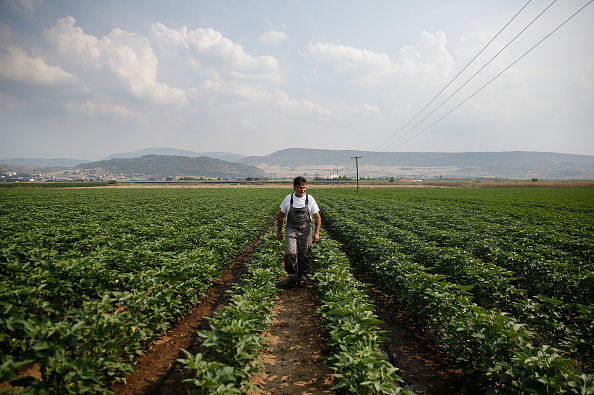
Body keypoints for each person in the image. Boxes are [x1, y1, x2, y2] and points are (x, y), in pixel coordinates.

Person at [277, 176, 321, 288]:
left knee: (304, 254)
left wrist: (317, 233)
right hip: (291, 229)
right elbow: (281, 216)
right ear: (294, 188)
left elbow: (317, 218)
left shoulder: (309, 199)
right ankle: (292, 277)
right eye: (300, 188)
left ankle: (301, 276)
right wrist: (279, 232)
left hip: (306, 230)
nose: (302, 190)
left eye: (304, 187)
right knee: (291, 254)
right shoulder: (288, 199)